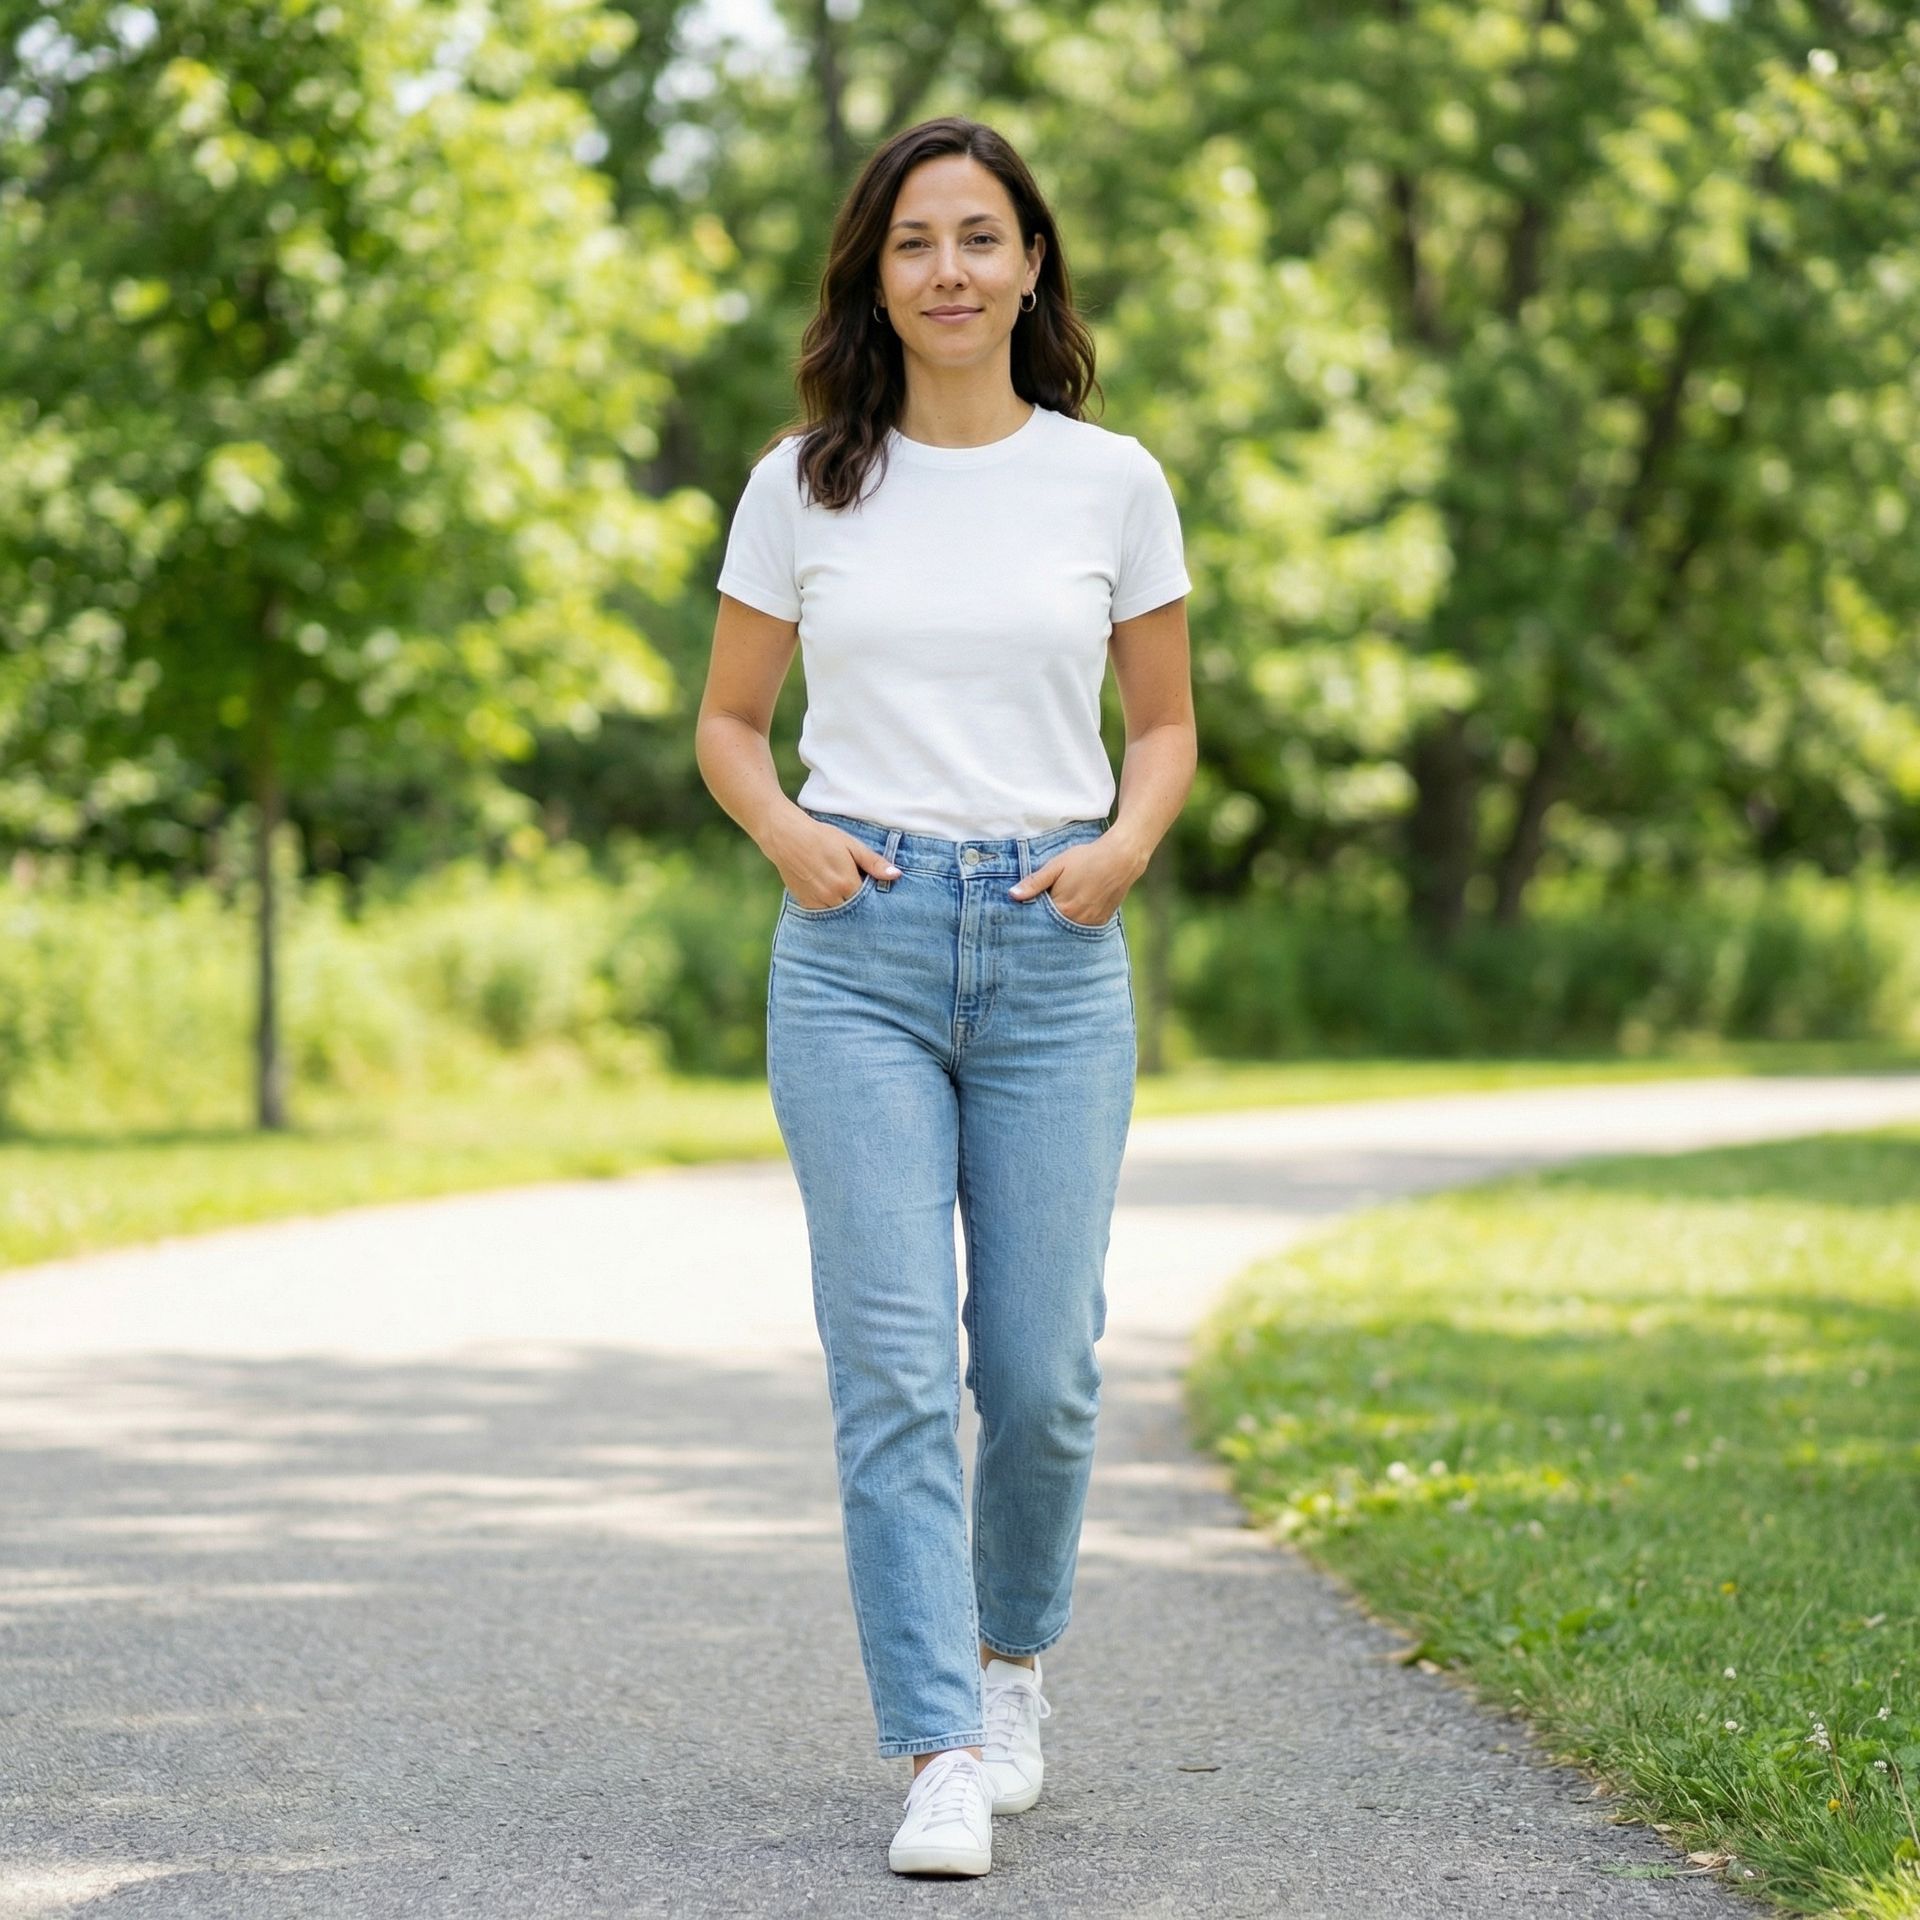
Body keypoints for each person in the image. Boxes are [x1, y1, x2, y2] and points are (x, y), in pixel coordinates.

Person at [694, 113, 1196, 1879]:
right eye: (916, 243)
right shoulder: (806, 482)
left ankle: (1012, 1660)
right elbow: (730, 726)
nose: (951, 271)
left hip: (1058, 945)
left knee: (1042, 1372)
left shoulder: (1112, 479)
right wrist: (790, 839)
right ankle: (935, 1744)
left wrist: (1125, 850)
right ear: (876, 274)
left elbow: (1166, 728)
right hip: (862, 945)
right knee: (896, 1365)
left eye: (981, 237)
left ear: (1033, 261)